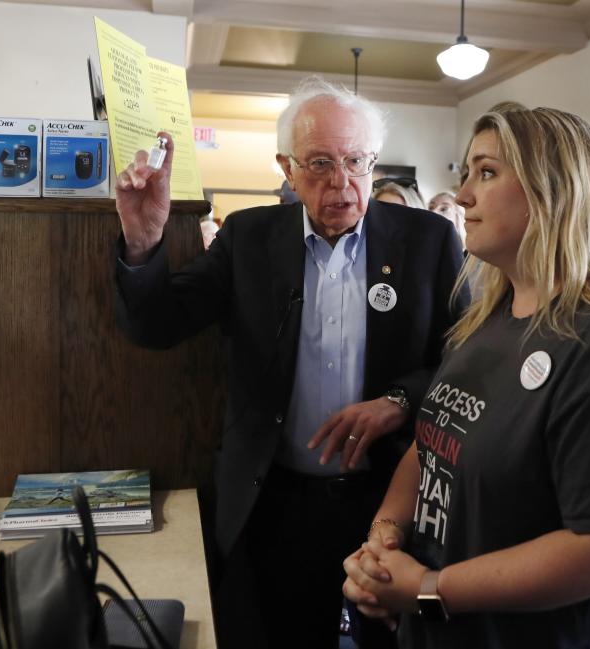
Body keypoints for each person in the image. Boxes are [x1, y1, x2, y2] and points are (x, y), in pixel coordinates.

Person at [112, 77, 466, 649]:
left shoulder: (427, 241)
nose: (342, 182)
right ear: (287, 167)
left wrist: (399, 401)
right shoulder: (250, 237)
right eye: (320, 163)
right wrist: (142, 240)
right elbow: (158, 327)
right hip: (278, 501)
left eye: (356, 160)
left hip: (390, 499)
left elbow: (464, 362)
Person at [342, 104, 590, 648]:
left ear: (552, 189)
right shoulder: (488, 318)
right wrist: (384, 541)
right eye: (466, 175)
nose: (462, 197)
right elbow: (434, 442)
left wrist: (432, 589)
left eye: (486, 172)